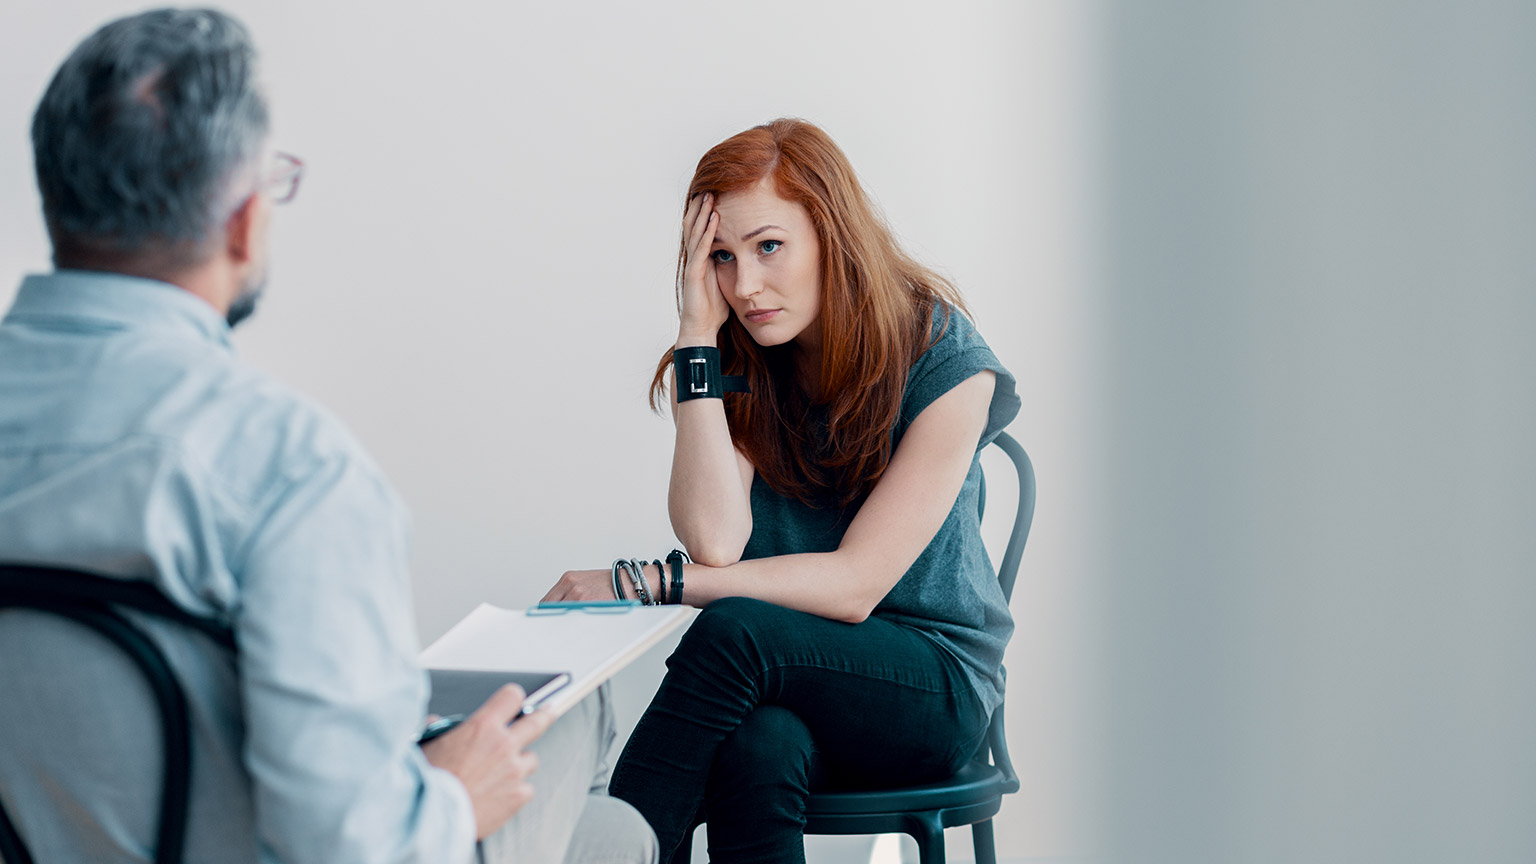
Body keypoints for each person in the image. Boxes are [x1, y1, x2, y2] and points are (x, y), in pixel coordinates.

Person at [0, 9, 655, 864]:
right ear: (242, 220)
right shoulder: (287, 468)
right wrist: (451, 795)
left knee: (612, 836)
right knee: (577, 738)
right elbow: (352, 847)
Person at [541, 118, 1022, 863]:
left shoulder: (943, 353)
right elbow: (716, 542)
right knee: (758, 747)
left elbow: (856, 585)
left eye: (768, 246)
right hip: (792, 690)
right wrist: (697, 336)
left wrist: (645, 583)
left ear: (832, 232)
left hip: (931, 688)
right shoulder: (739, 357)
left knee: (734, 629)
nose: (746, 285)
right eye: (722, 259)